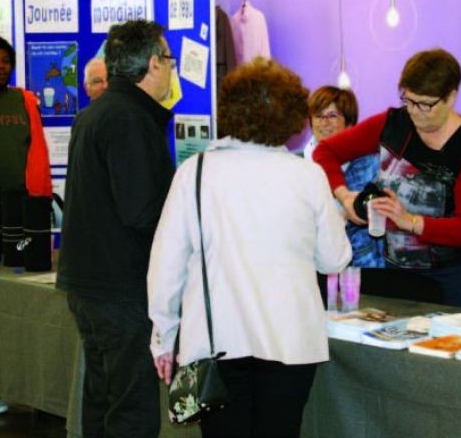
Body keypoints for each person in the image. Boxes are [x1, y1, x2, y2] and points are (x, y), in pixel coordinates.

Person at [149, 58, 352, 438]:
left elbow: (166, 266)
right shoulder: (307, 175)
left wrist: (163, 336)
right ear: (292, 115)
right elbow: (334, 258)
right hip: (291, 343)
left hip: (216, 342)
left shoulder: (195, 172)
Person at [56, 20, 176, 438]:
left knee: (102, 398)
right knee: (130, 409)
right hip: (120, 288)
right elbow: (142, 211)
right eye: (169, 59)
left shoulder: (98, 113)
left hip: (90, 283)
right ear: (152, 64)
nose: (172, 70)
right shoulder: (129, 119)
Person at [313, 48, 461, 309]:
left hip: (452, 271)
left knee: (439, 342)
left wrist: (410, 221)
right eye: (409, 100)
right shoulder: (391, 124)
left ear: (451, 97)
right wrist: (345, 196)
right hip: (397, 265)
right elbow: (326, 151)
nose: (415, 112)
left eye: (426, 105)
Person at [304, 86, 385, 269]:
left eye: (332, 115)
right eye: (318, 115)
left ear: (350, 123)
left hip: (366, 262)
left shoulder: (372, 164)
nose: (324, 122)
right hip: (315, 261)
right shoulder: (300, 166)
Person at [0, 36, 52, 196]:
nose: (1, 66)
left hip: (21, 197)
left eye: (6, 61)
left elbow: (38, 153)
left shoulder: (25, 100)